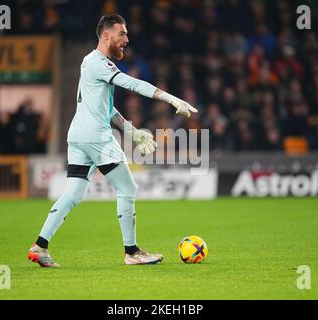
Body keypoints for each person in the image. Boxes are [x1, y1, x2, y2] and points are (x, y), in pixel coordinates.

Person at [28, 14, 197, 267]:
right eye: (122, 34)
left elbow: (106, 110)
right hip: (96, 137)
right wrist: (172, 99)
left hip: (78, 135)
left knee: (73, 193)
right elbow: (132, 84)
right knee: (127, 189)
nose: (126, 40)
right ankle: (132, 252)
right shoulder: (98, 63)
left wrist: (132, 131)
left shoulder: (92, 64)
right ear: (106, 36)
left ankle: (39, 246)